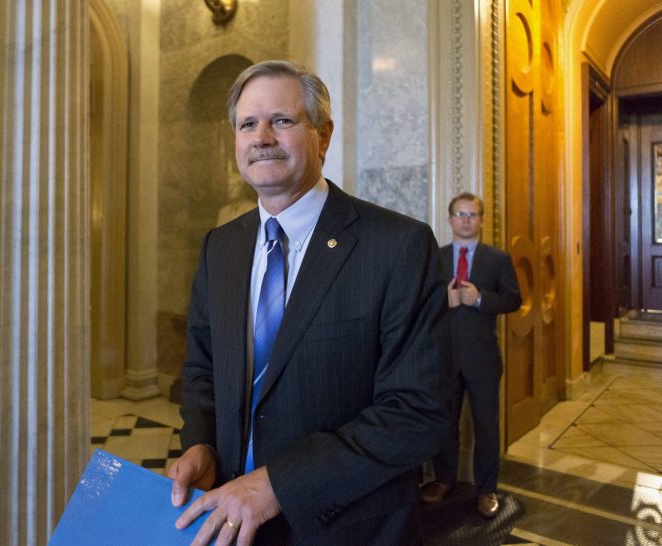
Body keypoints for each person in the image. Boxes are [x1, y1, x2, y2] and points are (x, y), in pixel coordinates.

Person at [168, 60, 450, 546]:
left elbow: (417, 411)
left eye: (281, 120)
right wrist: (201, 442)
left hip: (346, 529)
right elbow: (202, 369)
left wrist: (280, 484)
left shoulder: (397, 246)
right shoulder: (221, 247)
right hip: (229, 520)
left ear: (324, 135)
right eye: (247, 124)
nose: (262, 137)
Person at [419, 192, 521, 518]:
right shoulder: (436, 257)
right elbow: (420, 302)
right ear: (450, 219)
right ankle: (444, 481)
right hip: (444, 355)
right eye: (460, 214)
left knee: (486, 426)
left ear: (482, 220)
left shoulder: (498, 259)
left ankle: (487, 489)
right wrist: (444, 302)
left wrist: (479, 299)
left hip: (482, 357)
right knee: (445, 422)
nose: (466, 220)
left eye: (472, 214)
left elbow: (513, 300)